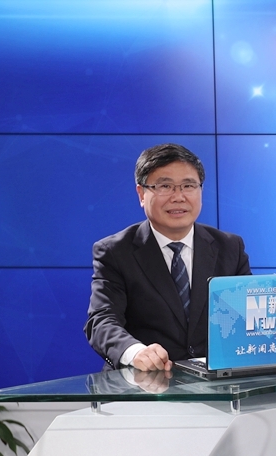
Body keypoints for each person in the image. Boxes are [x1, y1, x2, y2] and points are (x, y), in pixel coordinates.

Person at [85, 144, 251, 371]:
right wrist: (135, 352)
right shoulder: (115, 252)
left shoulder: (230, 247)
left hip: (215, 380)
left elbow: (248, 316)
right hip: (145, 381)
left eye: (188, 186)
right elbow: (101, 321)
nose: (179, 197)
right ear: (141, 194)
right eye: (165, 186)